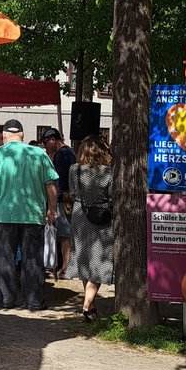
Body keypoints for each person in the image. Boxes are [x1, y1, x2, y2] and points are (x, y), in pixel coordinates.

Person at [0, 119, 59, 312]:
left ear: (3, 136)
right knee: (33, 260)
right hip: (33, 213)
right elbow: (50, 185)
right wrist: (52, 209)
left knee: (3, 259)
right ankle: (34, 300)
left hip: (2, 213)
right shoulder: (39, 154)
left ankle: (6, 299)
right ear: (22, 136)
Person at [65, 135, 114, 320]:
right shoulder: (108, 173)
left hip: (80, 216)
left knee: (84, 260)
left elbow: (73, 192)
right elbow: (111, 196)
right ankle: (87, 306)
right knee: (100, 263)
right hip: (101, 219)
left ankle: (90, 307)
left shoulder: (74, 170)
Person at [41, 127, 76, 278]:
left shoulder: (62, 155)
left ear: (53, 140)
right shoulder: (70, 152)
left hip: (63, 201)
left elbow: (59, 181)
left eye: (46, 143)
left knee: (64, 236)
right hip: (68, 199)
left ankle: (66, 268)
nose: (46, 147)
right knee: (65, 236)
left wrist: (53, 203)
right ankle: (64, 267)